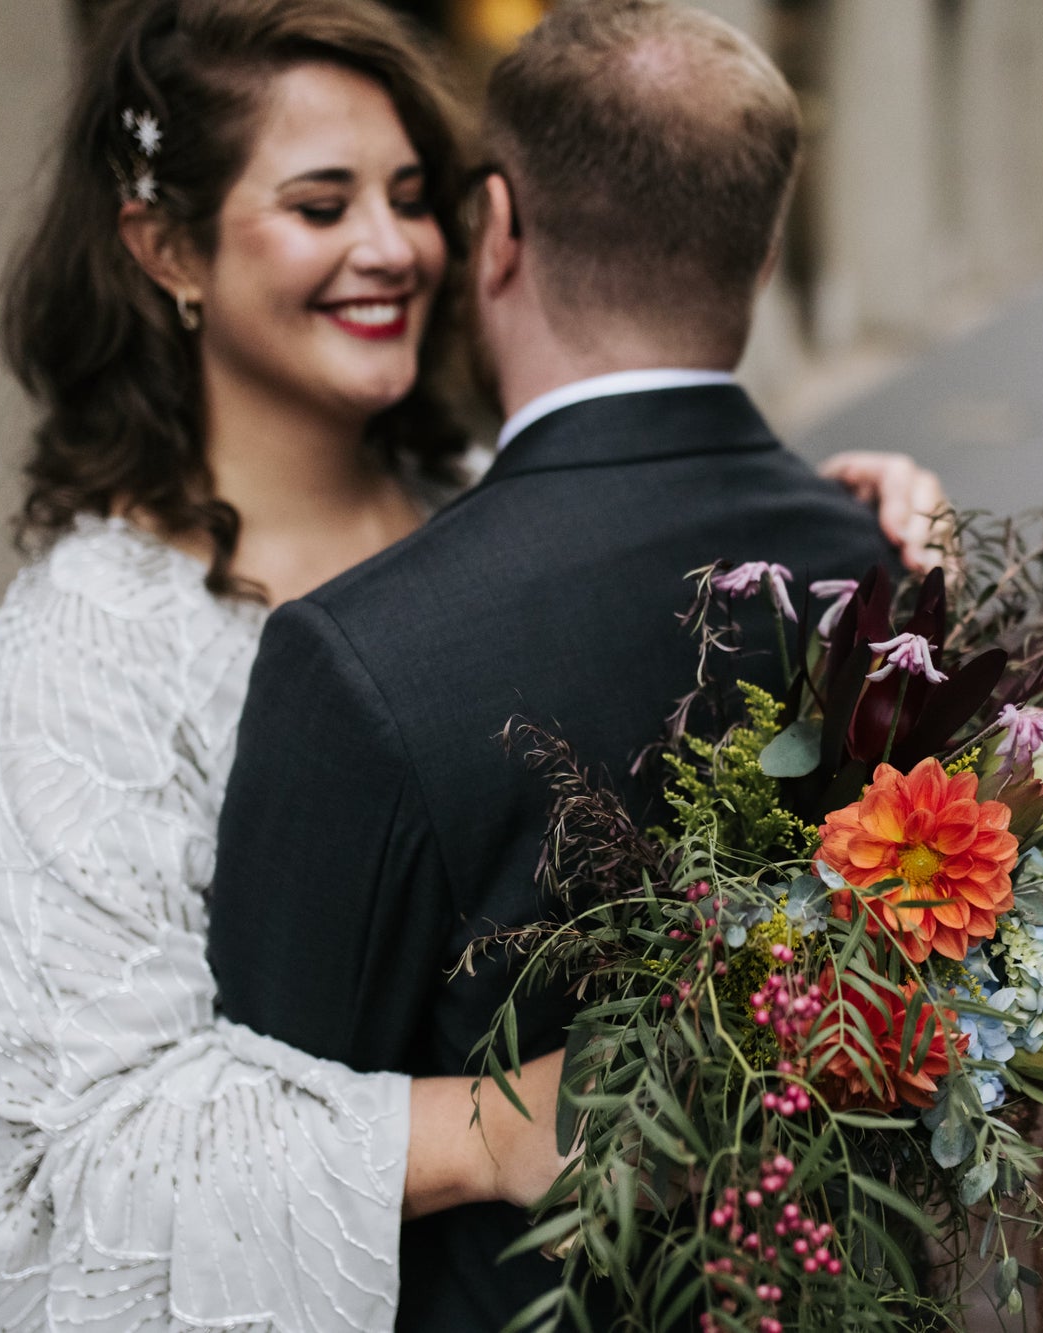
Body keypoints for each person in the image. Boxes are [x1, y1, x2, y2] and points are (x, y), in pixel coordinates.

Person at [0, 1, 943, 1329]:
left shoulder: (475, 501)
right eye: (320, 204)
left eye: (414, 197)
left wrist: (858, 517)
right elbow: (75, 1157)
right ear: (167, 246)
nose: (393, 247)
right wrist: (488, 1127)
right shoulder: (92, 640)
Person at [205, 3, 905, 1328]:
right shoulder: (890, 566)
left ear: (499, 229)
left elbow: (268, 1134)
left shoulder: (360, 655)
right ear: (760, 261)